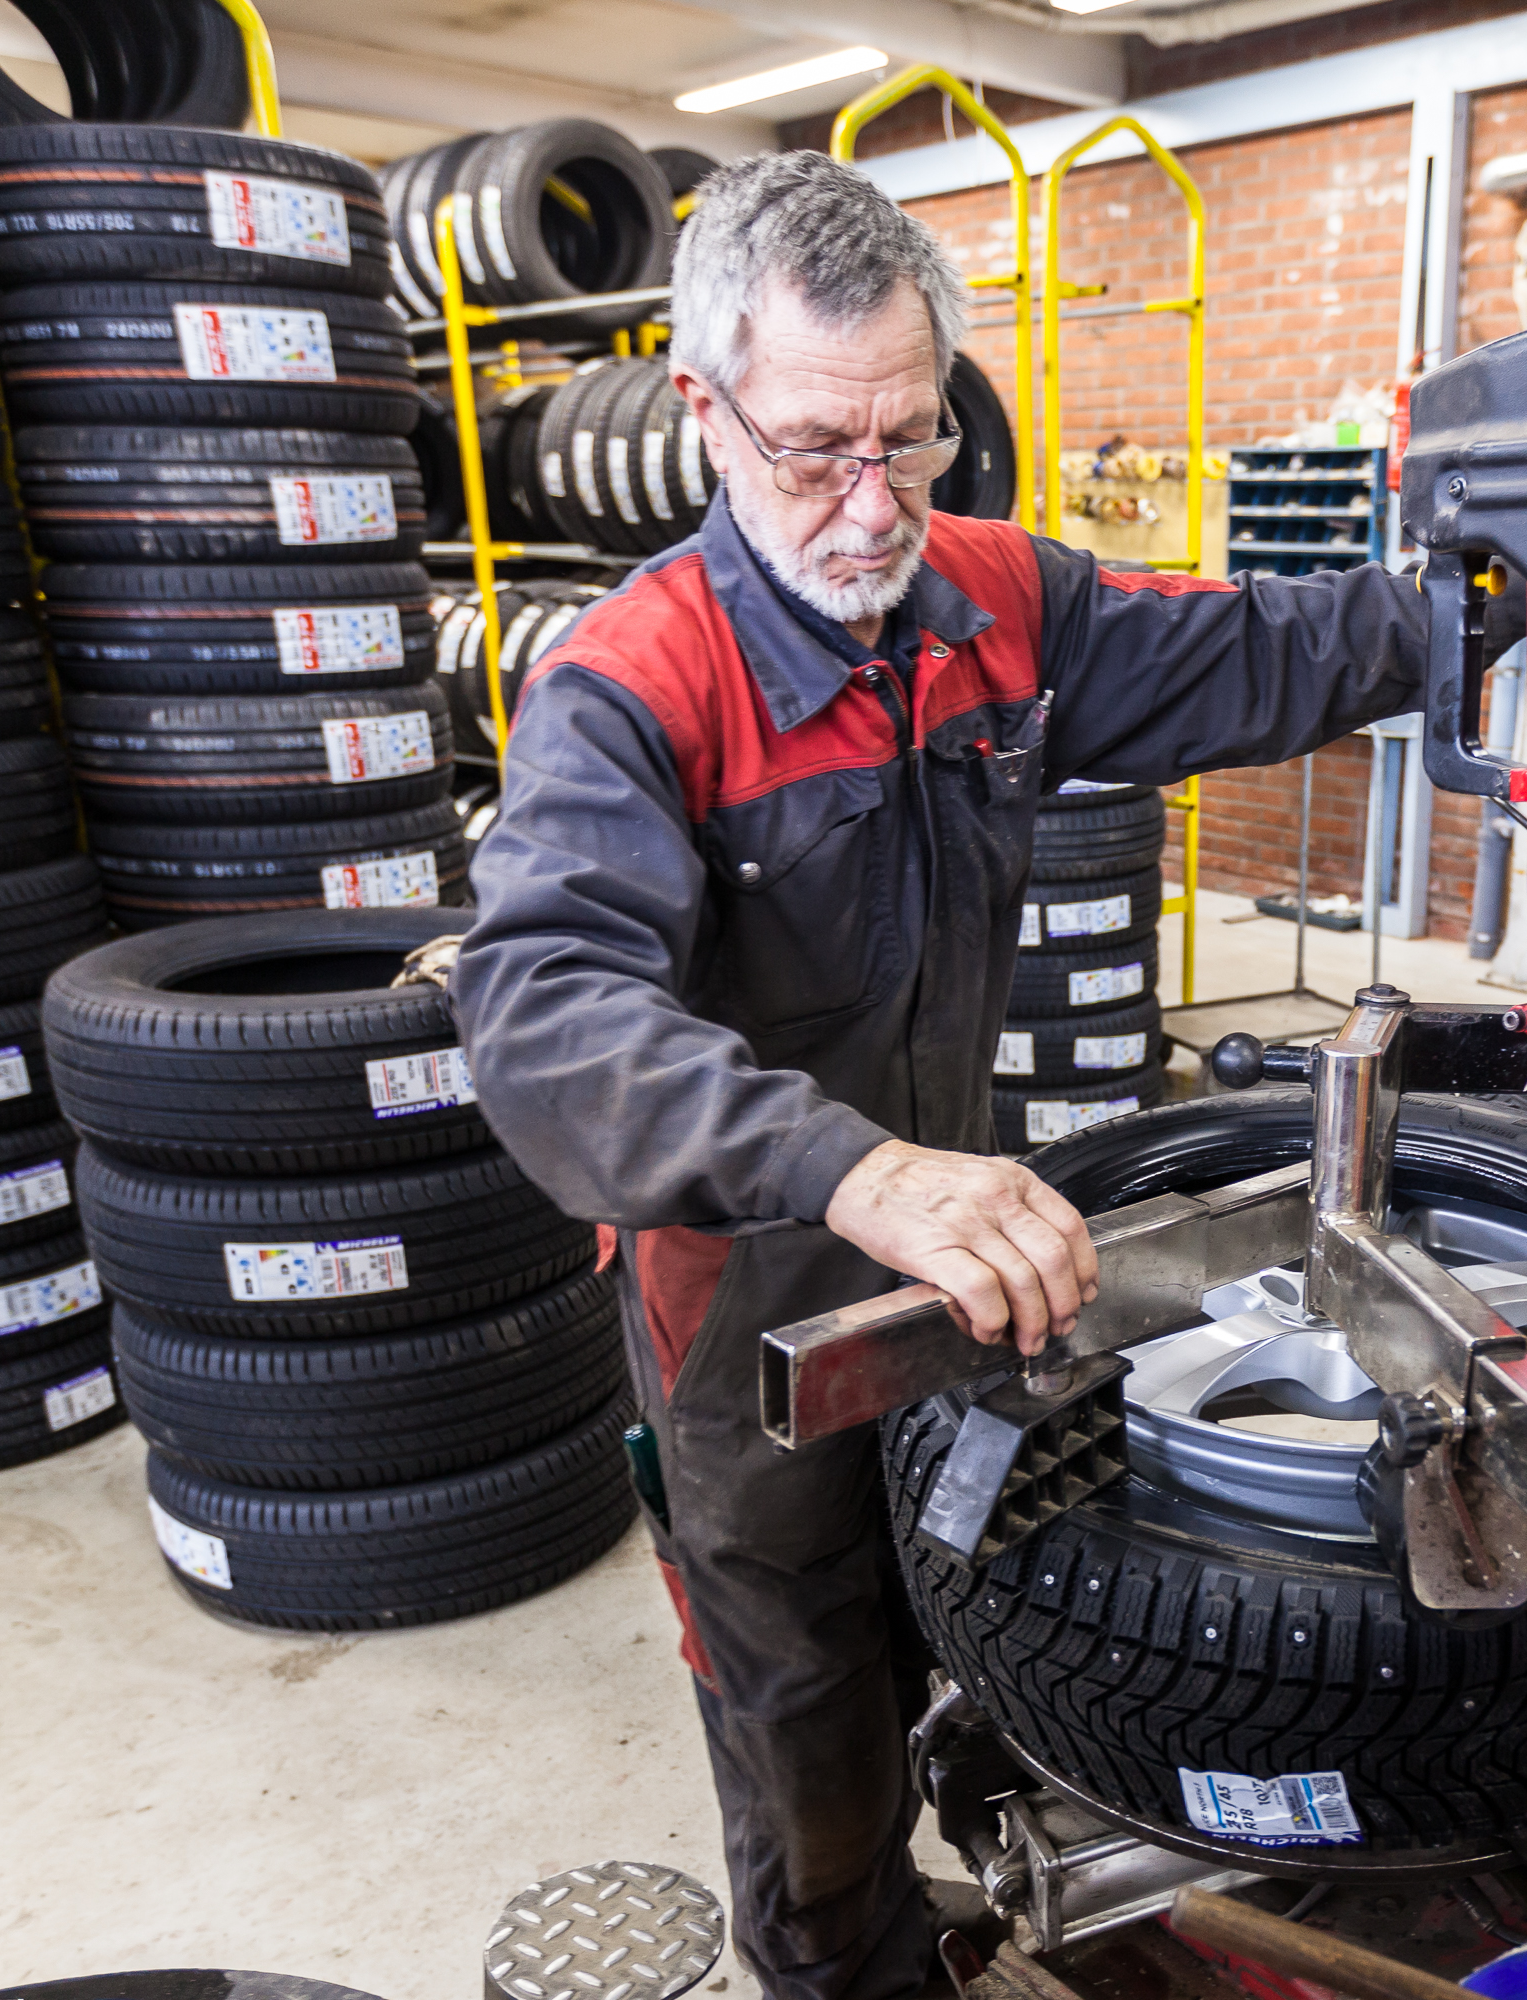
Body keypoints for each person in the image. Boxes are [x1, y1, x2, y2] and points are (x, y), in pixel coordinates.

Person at [451, 153, 1430, 2000]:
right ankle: (845, 1964)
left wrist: (1512, 609)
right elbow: (544, 1017)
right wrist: (848, 1166)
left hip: (959, 1240)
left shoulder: (991, 599)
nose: (870, 499)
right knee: (806, 1686)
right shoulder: (633, 684)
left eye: (911, 440)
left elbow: (1264, 650)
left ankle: (984, 1870)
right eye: (817, 446)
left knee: (968, 1588)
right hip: (747, 1295)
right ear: (704, 412)